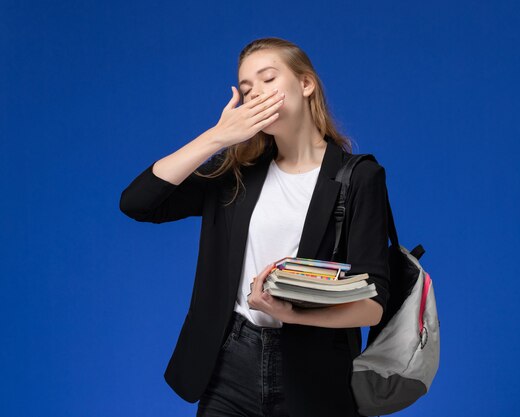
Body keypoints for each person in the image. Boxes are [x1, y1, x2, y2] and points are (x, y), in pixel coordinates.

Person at [119, 37, 390, 417]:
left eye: (268, 79)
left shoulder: (358, 177)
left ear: (305, 84)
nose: (256, 95)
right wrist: (217, 137)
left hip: (316, 373)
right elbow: (138, 203)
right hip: (230, 364)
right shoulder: (237, 175)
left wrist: (293, 314)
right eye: (247, 90)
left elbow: (373, 305)